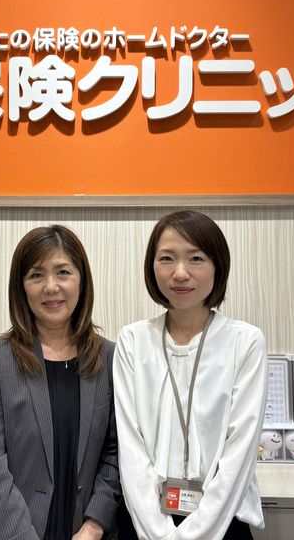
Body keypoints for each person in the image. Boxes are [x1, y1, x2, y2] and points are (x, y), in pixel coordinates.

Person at [0, 225, 121, 540]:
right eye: (36, 275)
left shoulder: (110, 358)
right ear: (21, 287)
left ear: (82, 280)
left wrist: (94, 525)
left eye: (63, 272)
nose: (51, 287)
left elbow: (115, 453)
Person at [114, 210, 267, 540]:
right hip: (144, 522)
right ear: (151, 267)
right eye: (167, 258)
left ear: (218, 266)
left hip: (221, 523)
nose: (180, 273)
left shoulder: (245, 342)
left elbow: (238, 455)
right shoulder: (132, 340)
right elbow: (130, 448)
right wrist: (158, 533)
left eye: (196, 258)